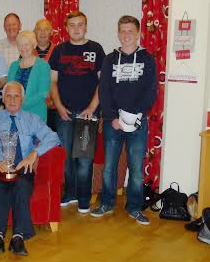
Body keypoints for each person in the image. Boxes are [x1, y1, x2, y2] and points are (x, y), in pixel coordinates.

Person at [91, 15, 157, 225]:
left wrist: (136, 115)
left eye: (130, 31)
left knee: (136, 168)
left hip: (137, 122)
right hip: (114, 123)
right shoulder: (110, 59)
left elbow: (151, 90)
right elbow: (105, 90)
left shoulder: (147, 59)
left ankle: (135, 208)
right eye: (123, 31)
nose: (126, 35)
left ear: (138, 33)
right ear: (118, 34)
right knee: (109, 167)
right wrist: (112, 117)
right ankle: (107, 202)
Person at [0, 81, 60, 256]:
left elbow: (53, 137)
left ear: (22, 99)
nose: (12, 99)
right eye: (8, 95)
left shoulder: (32, 119)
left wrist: (35, 153)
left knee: (22, 186)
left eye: (16, 96)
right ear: (2, 98)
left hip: (22, 167)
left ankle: (18, 237)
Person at [49, 11, 105, 214]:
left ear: (86, 26)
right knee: (66, 157)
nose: (76, 28)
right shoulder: (59, 51)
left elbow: (102, 83)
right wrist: (59, 106)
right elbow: (53, 82)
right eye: (72, 25)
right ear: (66, 28)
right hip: (64, 113)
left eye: (80, 24)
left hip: (87, 114)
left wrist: (91, 108)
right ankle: (70, 193)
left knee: (84, 159)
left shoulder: (96, 49)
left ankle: (83, 198)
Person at [7, 30, 51, 122]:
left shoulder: (43, 65)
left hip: (36, 115)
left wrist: (20, 105)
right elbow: (9, 90)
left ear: (34, 45)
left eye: (26, 44)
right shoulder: (13, 66)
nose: (23, 48)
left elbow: (43, 93)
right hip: (14, 115)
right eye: (20, 45)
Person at [33, 18, 57, 131]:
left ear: (51, 32)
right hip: (34, 107)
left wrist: (53, 99)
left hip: (55, 107)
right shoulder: (27, 52)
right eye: (39, 29)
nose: (42, 33)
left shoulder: (59, 51)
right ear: (34, 32)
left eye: (46, 29)